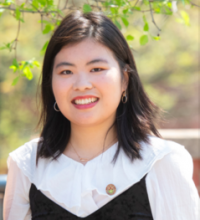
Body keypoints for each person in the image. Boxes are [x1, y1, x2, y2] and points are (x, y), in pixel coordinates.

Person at [3, 10, 200, 220]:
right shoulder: (26, 165)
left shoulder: (161, 162)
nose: (81, 85)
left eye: (96, 69)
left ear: (124, 79)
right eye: (66, 72)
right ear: (51, 84)